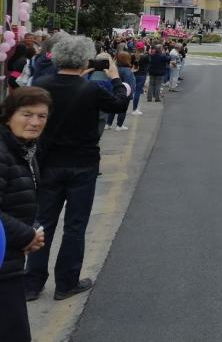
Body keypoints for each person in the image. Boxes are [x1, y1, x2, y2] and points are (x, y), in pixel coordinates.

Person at [26, 36, 130, 302]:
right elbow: (119, 103)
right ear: (86, 59)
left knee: (43, 223)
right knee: (75, 225)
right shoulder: (90, 90)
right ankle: (66, 282)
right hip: (82, 164)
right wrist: (115, 76)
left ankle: (32, 284)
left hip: (48, 163)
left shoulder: (41, 85)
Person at [0, 87, 51, 342]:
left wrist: (32, 230)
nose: (35, 122)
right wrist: (27, 235)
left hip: (11, 256)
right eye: (27, 114)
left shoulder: (24, 149)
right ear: (8, 116)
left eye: (42, 116)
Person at [106, 52, 136, 131]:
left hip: (114, 90)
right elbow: (130, 84)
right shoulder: (127, 71)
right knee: (123, 109)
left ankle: (108, 123)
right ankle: (119, 125)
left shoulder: (115, 68)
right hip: (124, 91)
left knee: (112, 107)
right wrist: (130, 94)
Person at [131, 42, 149, 116]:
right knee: (137, 92)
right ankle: (134, 109)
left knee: (133, 91)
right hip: (142, 75)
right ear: (143, 48)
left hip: (134, 74)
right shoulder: (145, 56)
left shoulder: (133, 56)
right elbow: (148, 64)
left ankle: (134, 107)